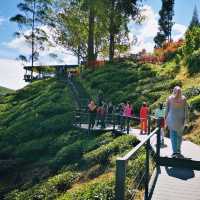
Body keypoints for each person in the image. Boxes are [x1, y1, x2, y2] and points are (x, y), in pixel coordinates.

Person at [165, 86, 189, 158]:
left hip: (172, 120)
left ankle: (175, 151)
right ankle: (178, 150)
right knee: (179, 136)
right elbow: (186, 110)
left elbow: (167, 110)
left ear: (173, 91)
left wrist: (165, 118)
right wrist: (186, 119)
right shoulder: (184, 99)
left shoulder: (170, 98)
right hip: (181, 120)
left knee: (173, 136)